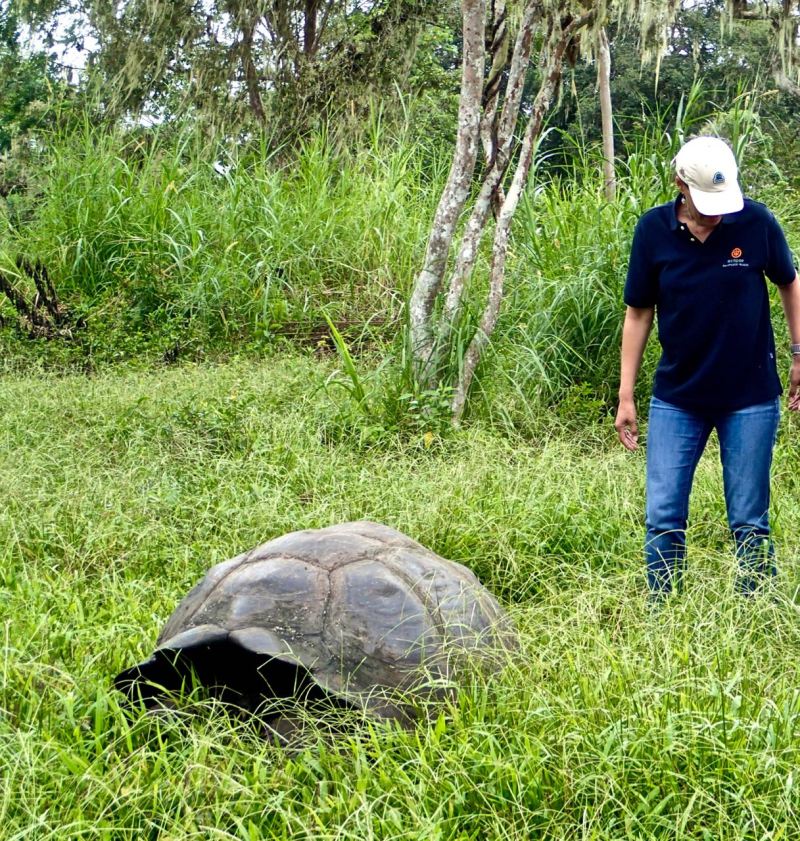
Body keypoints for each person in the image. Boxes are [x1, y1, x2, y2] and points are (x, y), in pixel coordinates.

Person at [614, 135, 800, 596]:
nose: (717, 212)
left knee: (749, 519)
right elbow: (638, 313)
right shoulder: (652, 231)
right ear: (680, 185)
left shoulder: (756, 222)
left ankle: (755, 610)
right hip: (678, 398)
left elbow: (790, 283)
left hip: (751, 397)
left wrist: (799, 354)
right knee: (663, 516)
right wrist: (625, 394)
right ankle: (663, 611)